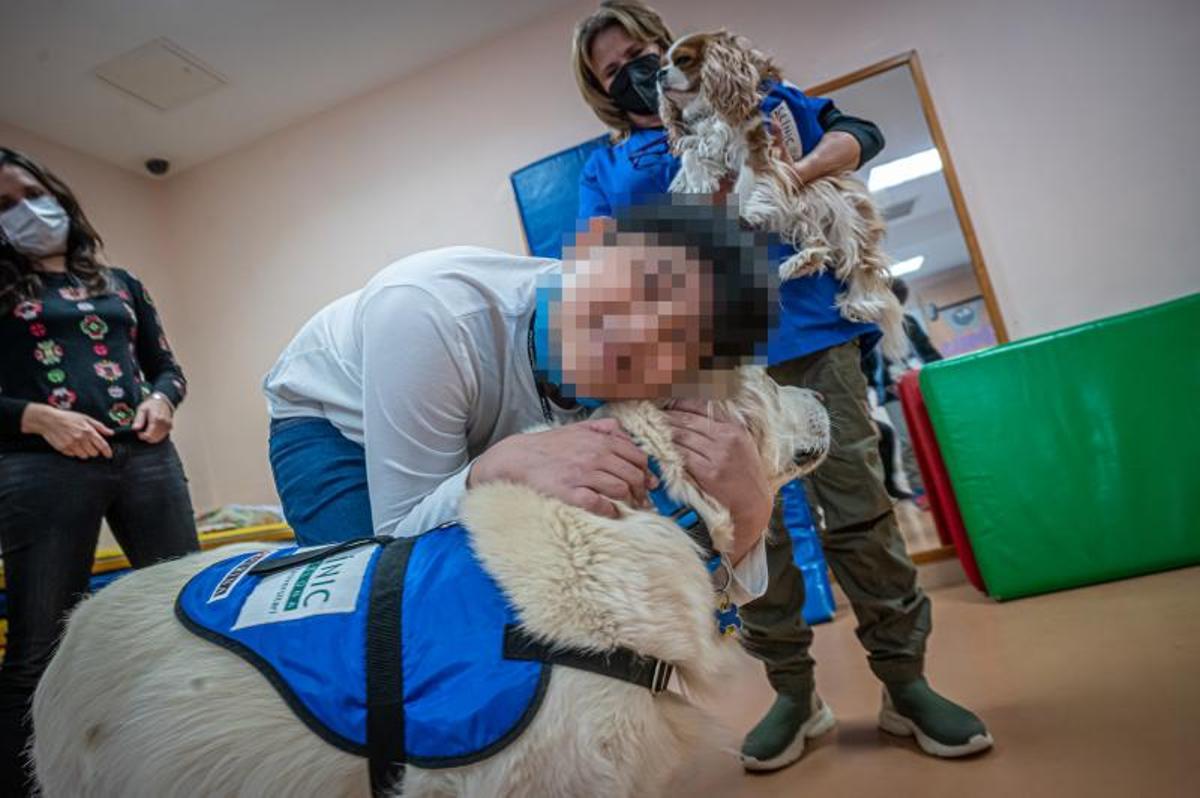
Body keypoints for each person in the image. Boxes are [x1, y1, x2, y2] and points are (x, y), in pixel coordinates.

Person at [570, 0, 992, 770]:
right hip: (705, 362)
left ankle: (907, 685)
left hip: (806, 329)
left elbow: (859, 133)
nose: (633, 69)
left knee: (859, 511)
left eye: (641, 50)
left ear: (667, 46)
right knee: (742, 530)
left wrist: (797, 170)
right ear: (600, 88)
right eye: (611, 67)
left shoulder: (747, 97)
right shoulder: (605, 166)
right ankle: (796, 695)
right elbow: (604, 265)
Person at [264, 199, 777, 604]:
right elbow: (398, 548)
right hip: (332, 414)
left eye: (679, 337)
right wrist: (490, 470)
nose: (639, 332)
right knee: (372, 598)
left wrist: (750, 514)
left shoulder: (663, 394)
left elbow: (672, 600)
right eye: (647, 283)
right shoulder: (428, 310)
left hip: (479, 405)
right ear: (591, 249)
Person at [0, 147, 199, 796]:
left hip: (146, 460)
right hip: (42, 470)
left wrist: (162, 400)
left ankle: (189, 757)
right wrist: (37, 416)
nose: (24, 210)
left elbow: (166, 367)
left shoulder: (123, 284)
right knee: (39, 642)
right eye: (3, 206)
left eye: (29, 192)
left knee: (190, 607)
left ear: (55, 192)